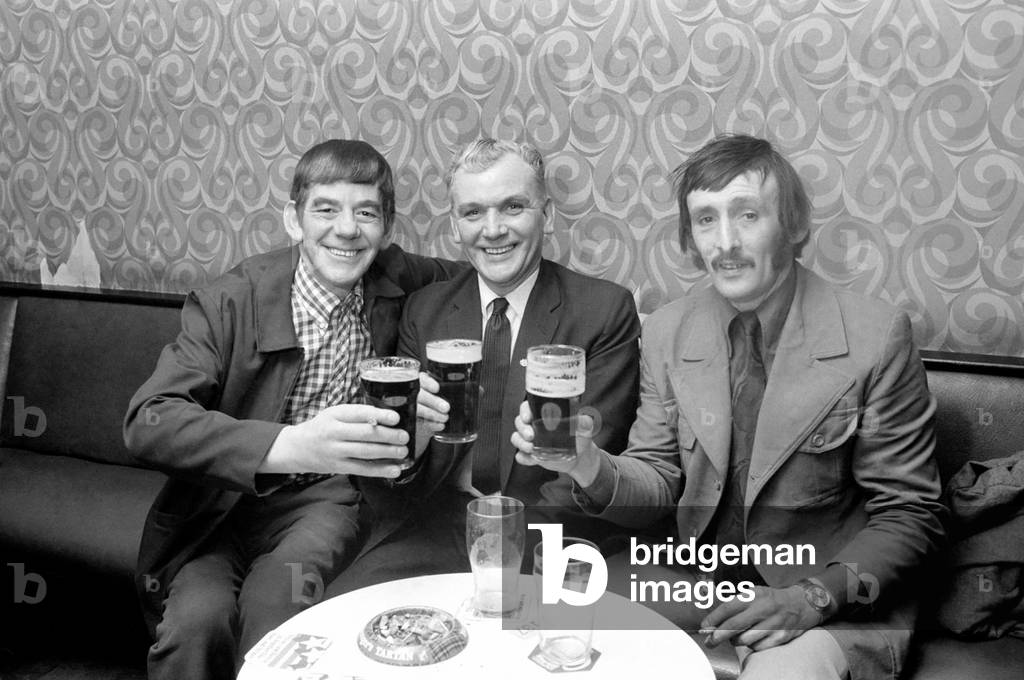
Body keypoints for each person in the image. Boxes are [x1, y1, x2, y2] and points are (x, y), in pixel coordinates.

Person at [513, 134, 946, 679]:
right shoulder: (669, 331)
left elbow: (911, 514)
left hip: (826, 600)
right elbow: (658, 478)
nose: (726, 243)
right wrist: (585, 462)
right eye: (705, 220)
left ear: (792, 226)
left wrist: (810, 598)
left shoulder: (877, 337)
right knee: (540, 623)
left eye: (747, 215)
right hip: (696, 580)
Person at [123, 139, 461, 680]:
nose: (346, 229)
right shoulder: (230, 299)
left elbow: (485, 271)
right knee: (196, 624)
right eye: (325, 209)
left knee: (278, 610)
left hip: (326, 500)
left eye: (366, 213)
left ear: (388, 226)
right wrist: (291, 444)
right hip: (219, 506)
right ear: (293, 219)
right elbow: (148, 420)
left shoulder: (402, 280)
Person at [325, 138, 641, 594]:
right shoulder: (425, 311)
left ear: (546, 214)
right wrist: (405, 446)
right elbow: (407, 467)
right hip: (441, 525)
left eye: (513, 207)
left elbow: (591, 459)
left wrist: (506, 539)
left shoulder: (604, 310)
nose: (492, 230)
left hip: (551, 534)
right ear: (455, 225)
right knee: (347, 608)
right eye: (473, 213)